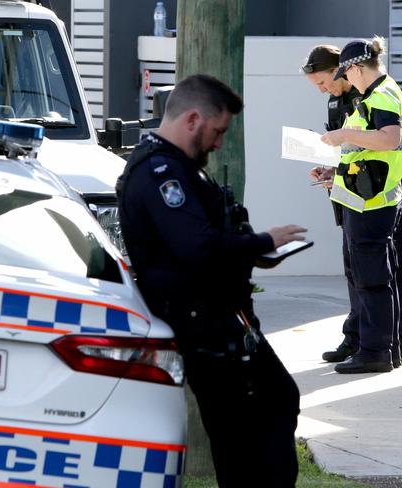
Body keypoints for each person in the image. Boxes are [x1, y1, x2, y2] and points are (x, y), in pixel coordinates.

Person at [116, 74, 306, 487]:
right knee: (245, 431)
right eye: (217, 131)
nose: (219, 143)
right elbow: (196, 247)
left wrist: (255, 251)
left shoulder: (182, 169)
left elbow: (207, 239)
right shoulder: (160, 173)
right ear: (193, 119)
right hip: (205, 327)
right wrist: (262, 241)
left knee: (273, 404)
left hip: (223, 321)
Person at [304, 44, 402, 367]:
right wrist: (335, 168)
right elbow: (365, 148)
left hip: (373, 200)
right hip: (366, 195)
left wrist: (341, 135)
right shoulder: (376, 95)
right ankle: (382, 348)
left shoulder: (379, 96)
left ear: (355, 68)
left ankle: (376, 351)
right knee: (373, 277)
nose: (344, 80)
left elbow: (389, 139)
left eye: (343, 74)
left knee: (374, 279)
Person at [302, 44, 363, 363]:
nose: (322, 90)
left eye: (323, 82)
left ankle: (373, 341)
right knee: (354, 271)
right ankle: (356, 338)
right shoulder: (333, 101)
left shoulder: (365, 97)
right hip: (343, 193)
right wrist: (327, 167)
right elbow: (341, 150)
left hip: (370, 196)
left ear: (340, 69)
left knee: (374, 275)